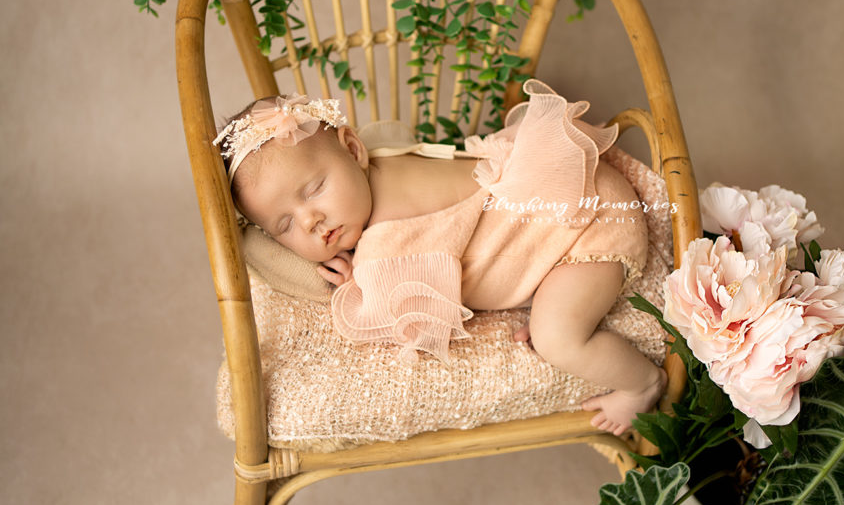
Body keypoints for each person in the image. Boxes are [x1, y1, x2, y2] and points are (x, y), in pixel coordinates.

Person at [214, 80, 666, 435]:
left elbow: (411, 318)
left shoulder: (385, 241)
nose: (311, 220)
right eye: (284, 226)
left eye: (314, 190)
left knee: (557, 338)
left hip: (588, 229)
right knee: (519, 269)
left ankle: (642, 383)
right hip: (565, 198)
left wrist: (362, 281)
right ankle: (541, 287)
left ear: (353, 149)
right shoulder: (380, 161)